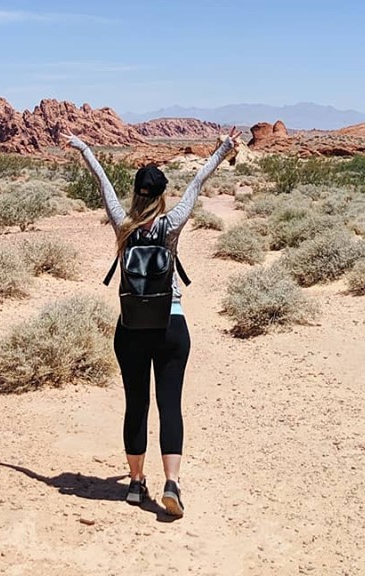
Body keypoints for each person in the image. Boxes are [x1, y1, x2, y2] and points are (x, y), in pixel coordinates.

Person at [63, 129, 239, 517]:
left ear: (136, 194)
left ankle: (135, 482)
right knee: (170, 405)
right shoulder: (172, 222)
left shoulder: (122, 224)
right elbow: (197, 182)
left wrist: (84, 147)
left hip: (131, 329)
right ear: (160, 196)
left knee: (136, 405)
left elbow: (101, 181)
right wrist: (223, 148)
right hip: (170, 325)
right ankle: (171, 483)